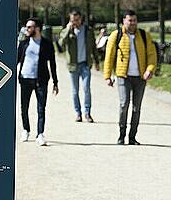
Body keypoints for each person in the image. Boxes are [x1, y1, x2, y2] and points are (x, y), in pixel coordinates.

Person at [103, 10, 157, 145]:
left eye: (134, 20)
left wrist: (149, 70)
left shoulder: (144, 36)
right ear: (124, 21)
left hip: (140, 78)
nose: (132, 23)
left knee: (136, 108)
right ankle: (121, 135)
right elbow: (109, 57)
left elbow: (152, 55)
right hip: (123, 76)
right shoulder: (117, 35)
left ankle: (132, 137)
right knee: (123, 104)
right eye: (130, 20)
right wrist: (107, 76)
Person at [17, 17, 59, 146]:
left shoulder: (47, 44)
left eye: (30, 27)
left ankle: (40, 134)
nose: (27, 29)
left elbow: (52, 63)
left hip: (41, 80)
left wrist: (55, 82)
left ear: (37, 28)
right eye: (27, 27)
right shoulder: (24, 43)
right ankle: (26, 130)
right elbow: (17, 60)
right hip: (25, 79)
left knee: (41, 108)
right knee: (24, 107)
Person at [58, 9, 100, 123]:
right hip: (73, 66)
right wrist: (67, 30)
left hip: (85, 64)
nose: (75, 22)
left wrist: (96, 62)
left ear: (81, 19)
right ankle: (78, 113)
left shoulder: (88, 31)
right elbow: (61, 44)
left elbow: (93, 47)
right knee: (75, 91)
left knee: (86, 89)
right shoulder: (68, 31)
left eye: (76, 20)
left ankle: (87, 113)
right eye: (72, 20)